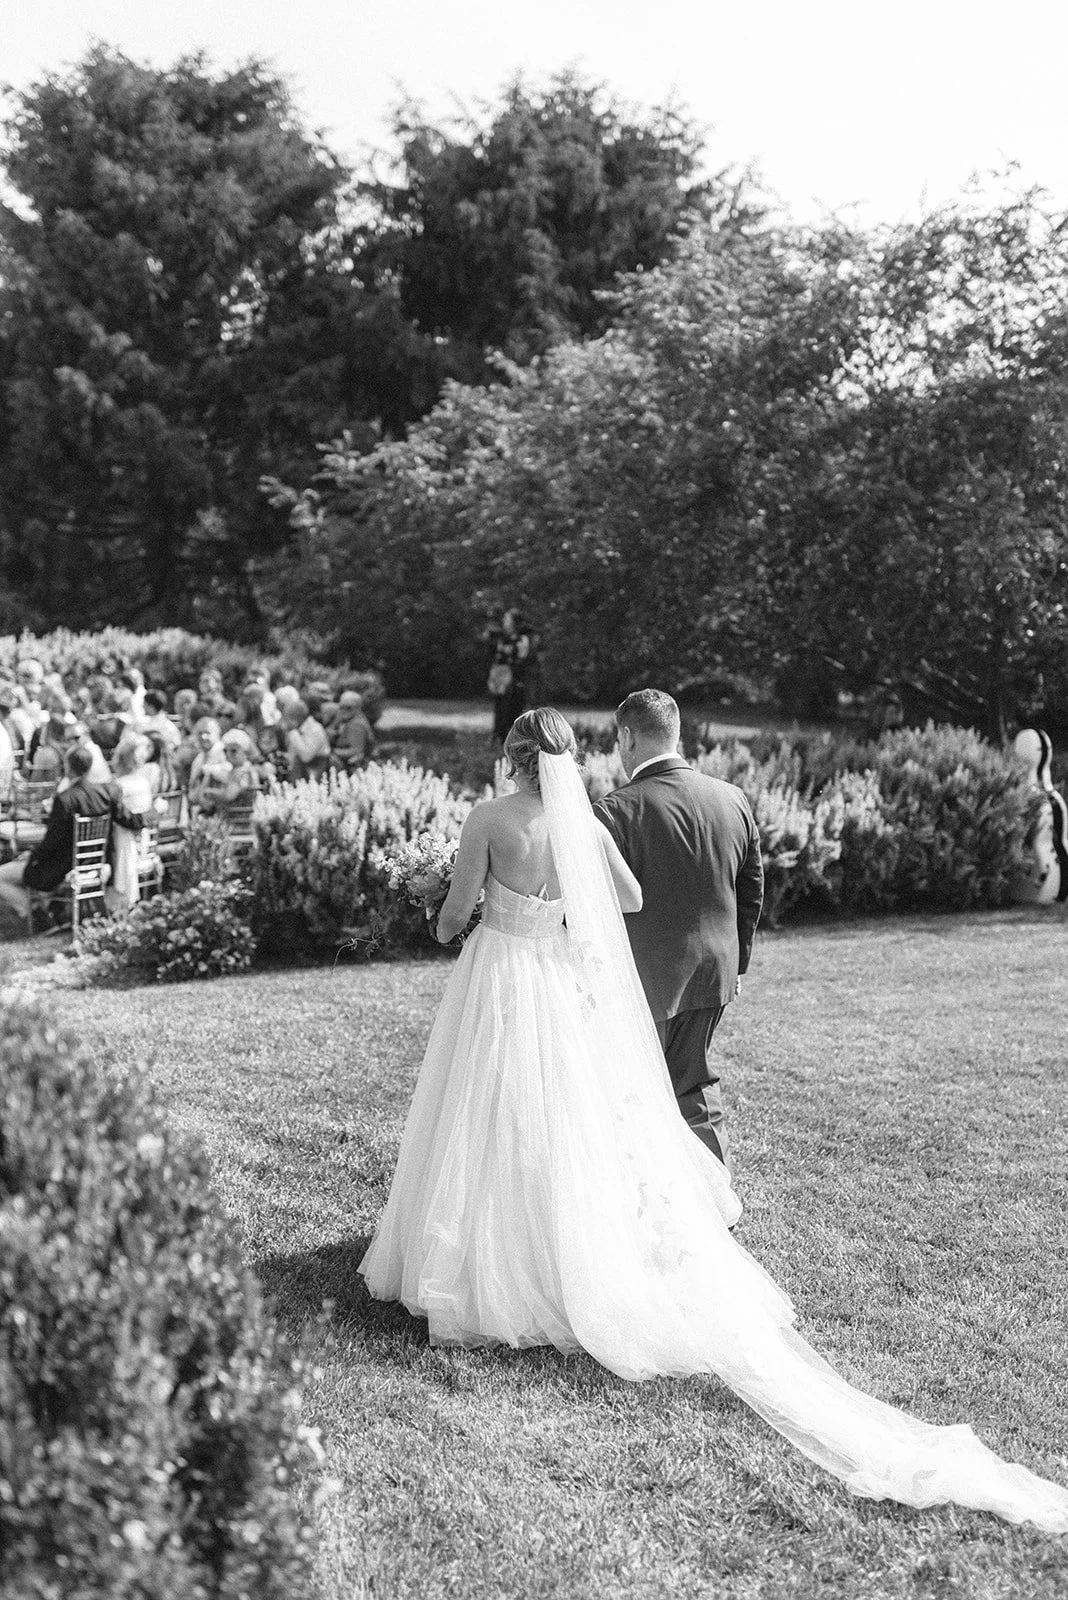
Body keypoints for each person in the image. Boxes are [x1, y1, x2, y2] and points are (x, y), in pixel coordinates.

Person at [360, 706, 1068, 1534]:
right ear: (565, 759)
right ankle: (555, 1248)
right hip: (558, 982)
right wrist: (558, 911)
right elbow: (623, 896)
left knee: (489, 1110)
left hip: (502, 979)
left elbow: (451, 919)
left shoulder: (490, 818)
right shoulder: (583, 822)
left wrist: (461, 908)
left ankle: (487, 1253)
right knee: (565, 1121)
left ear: (510, 759)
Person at [593, 689, 763, 1168]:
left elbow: (594, 905)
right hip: (716, 972)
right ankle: (713, 1194)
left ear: (626, 736)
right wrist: (736, 962)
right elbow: (751, 891)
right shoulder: (732, 798)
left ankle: (646, 1200)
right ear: (676, 732)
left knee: (627, 1089)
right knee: (695, 1085)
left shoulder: (614, 810)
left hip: (645, 979)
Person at [0, 744, 143, 929]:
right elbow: (131, 820)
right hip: (94, 863)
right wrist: (153, 813)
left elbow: (52, 842)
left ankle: (36, 912)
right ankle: (46, 908)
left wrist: (32, 857)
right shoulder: (106, 794)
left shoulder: (66, 799)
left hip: (60, 868)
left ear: (68, 766)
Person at [104, 734, 155, 915]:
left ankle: (115, 906)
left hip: (120, 843)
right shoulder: (144, 783)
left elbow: (118, 817)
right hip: (144, 844)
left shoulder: (118, 786)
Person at [488, 609, 532, 743]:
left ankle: (511, 737)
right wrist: (493, 678)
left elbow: (522, 661)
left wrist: (513, 677)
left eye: (507, 619)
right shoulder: (503, 639)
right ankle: (498, 735)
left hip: (515, 680)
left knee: (512, 708)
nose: (504, 622)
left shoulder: (522, 639)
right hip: (501, 678)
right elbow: (497, 660)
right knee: (499, 706)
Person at [283, 697, 331, 781]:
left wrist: (293, 733)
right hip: (299, 773)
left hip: (315, 772)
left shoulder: (315, 729)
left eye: (287, 718)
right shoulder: (298, 730)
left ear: (295, 718)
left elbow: (306, 757)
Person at [330, 690, 376, 771]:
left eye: (348, 708)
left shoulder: (357, 725)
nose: (344, 710)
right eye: (341, 707)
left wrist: (331, 751)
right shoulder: (349, 719)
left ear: (358, 708)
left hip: (354, 767)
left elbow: (355, 751)